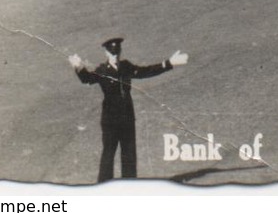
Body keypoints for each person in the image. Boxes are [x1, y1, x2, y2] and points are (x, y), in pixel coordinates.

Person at [69, 36, 189, 181]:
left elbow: (146, 71)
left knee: (129, 154)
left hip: (127, 118)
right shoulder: (102, 70)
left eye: (117, 52)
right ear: (106, 53)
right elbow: (87, 79)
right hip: (110, 120)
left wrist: (168, 63)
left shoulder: (126, 66)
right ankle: (103, 186)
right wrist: (78, 67)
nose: (115, 56)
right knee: (108, 153)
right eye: (112, 53)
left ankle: (129, 186)